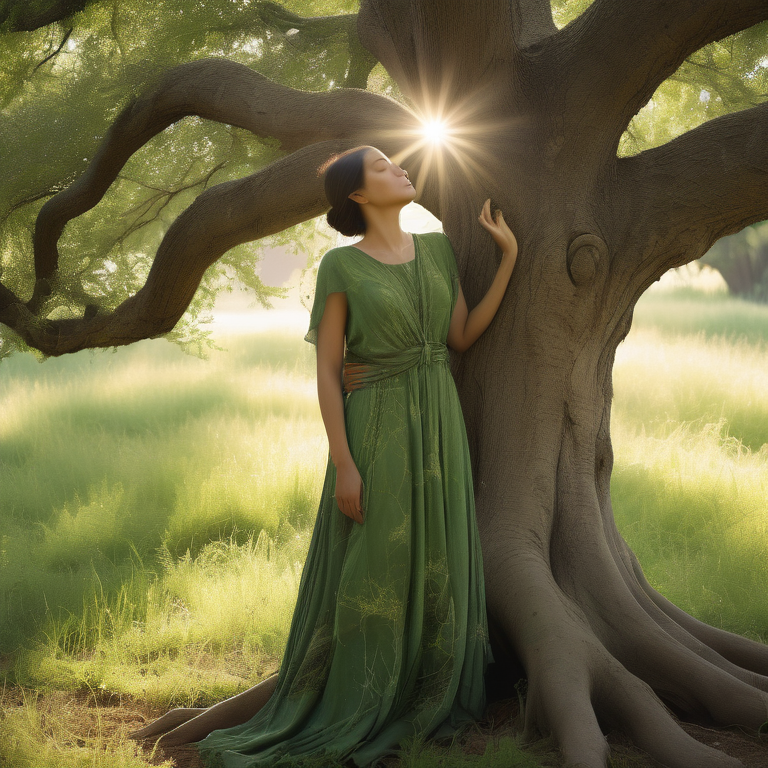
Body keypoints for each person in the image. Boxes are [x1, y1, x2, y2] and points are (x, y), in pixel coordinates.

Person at [129, 145, 518, 766]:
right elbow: (329, 372)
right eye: (384, 167)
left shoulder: (441, 250)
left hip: (440, 425)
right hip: (376, 428)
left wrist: (508, 259)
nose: (401, 169)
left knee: (433, 563)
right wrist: (344, 461)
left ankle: (417, 693)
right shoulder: (341, 266)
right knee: (372, 571)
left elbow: (462, 337)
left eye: (398, 163)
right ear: (360, 196)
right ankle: (343, 701)